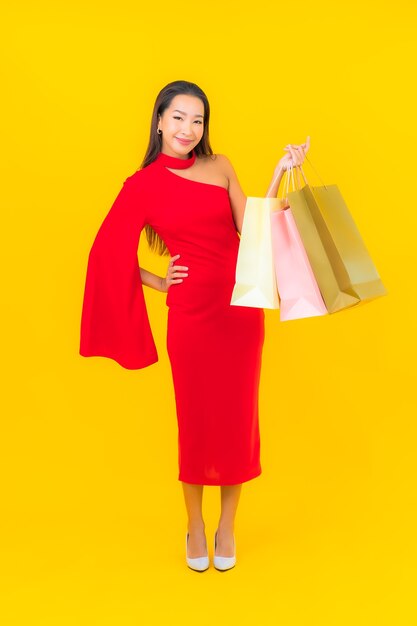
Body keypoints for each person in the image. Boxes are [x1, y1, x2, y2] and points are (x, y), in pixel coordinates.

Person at [79, 80, 309, 572]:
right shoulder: (141, 185)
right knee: (198, 423)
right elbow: (104, 254)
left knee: (237, 420)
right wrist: (157, 281)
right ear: (159, 120)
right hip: (192, 317)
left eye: (197, 119)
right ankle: (195, 525)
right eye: (178, 117)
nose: (188, 128)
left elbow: (253, 230)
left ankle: (227, 525)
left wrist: (281, 174)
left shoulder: (220, 165)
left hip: (239, 311)